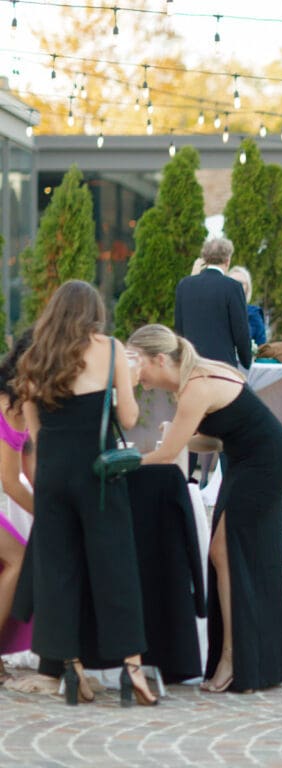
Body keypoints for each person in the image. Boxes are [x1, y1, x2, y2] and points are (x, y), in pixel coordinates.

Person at [128, 324, 282, 694]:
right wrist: (180, 432)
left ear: (159, 358)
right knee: (233, 557)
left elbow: (169, 455)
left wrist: (126, 461)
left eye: (137, 362)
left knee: (224, 553)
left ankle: (234, 660)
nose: (135, 373)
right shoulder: (198, 377)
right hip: (246, 461)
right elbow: (217, 439)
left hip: (263, 465)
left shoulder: (195, 386)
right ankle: (248, 661)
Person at [16, 280, 156, 706]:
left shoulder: (37, 355)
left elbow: (34, 430)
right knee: (115, 567)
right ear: (94, 311)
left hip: (54, 473)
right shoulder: (110, 349)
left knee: (57, 571)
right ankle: (132, 669)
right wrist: (126, 381)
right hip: (97, 473)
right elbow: (129, 418)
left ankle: (71, 667)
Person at [0, 330, 35, 682]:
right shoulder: (10, 408)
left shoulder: (18, 405)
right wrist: (49, 515)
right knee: (18, 558)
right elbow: (12, 483)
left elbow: (28, 469)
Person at [174, 237, 252, 370]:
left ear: (205, 259)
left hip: (192, 364)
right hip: (222, 366)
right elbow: (241, 330)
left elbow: (179, 328)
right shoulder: (233, 287)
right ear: (228, 260)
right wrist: (246, 360)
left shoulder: (184, 285)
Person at [227, 266, 267, 347]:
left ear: (247, 288)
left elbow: (261, 345)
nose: (236, 286)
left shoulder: (254, 314)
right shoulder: (216, 310)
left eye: (241, 283)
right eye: (232, 281)